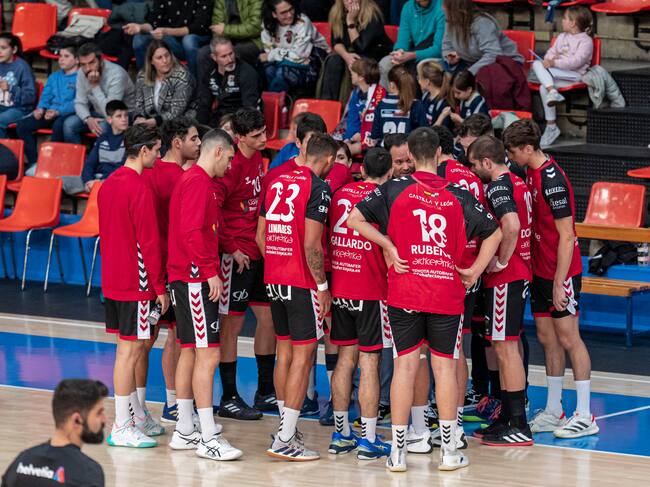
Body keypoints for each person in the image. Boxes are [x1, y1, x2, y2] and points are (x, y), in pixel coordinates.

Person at [347, 126, 501, 472]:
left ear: (410, 156)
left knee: (405, 366)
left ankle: (398, 453)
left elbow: (354, 219)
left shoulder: (394, 188)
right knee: (443, 368)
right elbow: (495, 232)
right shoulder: (458, 194)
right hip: (446, 291)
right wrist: (475, 271)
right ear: (439, 154)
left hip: (405, 290)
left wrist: (388, 245)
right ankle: (449, 451)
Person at [503, 119, 598, 439]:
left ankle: (585, 414)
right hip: (540, 270)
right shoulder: (530, 171)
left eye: (513, 152)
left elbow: (567, 236)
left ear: (528, 148)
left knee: (570, 338)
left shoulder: (552, 180)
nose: (511, 157)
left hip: (561, 272)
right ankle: (555, 409)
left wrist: (559, 282)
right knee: (547, 338)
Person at [405, 123, 486, 454]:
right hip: (466, 269)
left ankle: (423, 424)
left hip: (435, 268)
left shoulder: (433, 180)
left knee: (424, 353)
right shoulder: (471, 178)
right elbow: (488, 226)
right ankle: (455, 427)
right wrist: (478, 267)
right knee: (455, 349)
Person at [258, 133, 338, 461]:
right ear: (329, 160)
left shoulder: (276, 180)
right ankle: (285, 438)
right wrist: (322, 286)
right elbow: (311, 245)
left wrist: (279, 263)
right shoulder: (319, 187)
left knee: (285, 353)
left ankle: (285, 428)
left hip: (274, 279)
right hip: (301, 282)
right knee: (304, 357)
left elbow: (260, 236)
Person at [166, 128, 243, 460]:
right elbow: (191, 232)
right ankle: (209, 437)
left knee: (190, 351)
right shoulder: (198, 183)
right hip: (194, 279)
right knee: (209, 355)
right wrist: (210, 272)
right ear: (218, 152)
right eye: (230, 158)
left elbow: (207, 229)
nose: (231, 166)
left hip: (186, 277)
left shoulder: (197, 181)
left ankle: (185, 429)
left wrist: (229, 248)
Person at [98, 125, 169, 448]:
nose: (159, 155)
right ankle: (122, 425)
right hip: (135, 282)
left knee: (130, 349)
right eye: (156, 150)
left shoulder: (108, 184)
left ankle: (135, 416)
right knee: (129, 352)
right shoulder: (139, 187)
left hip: (113, 279)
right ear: (143, 151)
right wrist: (159, 287)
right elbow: (148, 242)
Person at [467, 135, 533, 446]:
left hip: (508, 276)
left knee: (505, 349)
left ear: (486, 162)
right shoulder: (519, 182)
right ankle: (507, 417)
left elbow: (512, 225)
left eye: (474, 165)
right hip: (519, 274)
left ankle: (518, 424)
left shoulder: (498, 186)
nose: (472, 171)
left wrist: (501, 259)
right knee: (505, 347)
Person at [327, 147, 393, 460]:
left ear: (361, 169)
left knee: (345, 359)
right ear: (390, 173)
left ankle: (341, 435)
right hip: (371, 290)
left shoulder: (340, 194)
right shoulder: (385, 198)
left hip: (341, 286)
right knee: (369, 363)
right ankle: (368, 439)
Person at [214, 108, 277, 419]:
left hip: (257, 251)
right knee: (231, 327)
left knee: (270, 320)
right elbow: (214, 212)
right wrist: (231, 248)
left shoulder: (259, 158)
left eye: (264, 132)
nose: (264, 139)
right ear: (239, 137)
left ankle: (265, 391)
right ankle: (228, 396)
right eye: (256, 136)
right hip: (236, 257)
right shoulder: (231, 165)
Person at [142, 117, 201, 424]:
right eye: (193, 139)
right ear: (177, 142)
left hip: (156, 268)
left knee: (150, 339)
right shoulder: (182, 178)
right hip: (170, 269)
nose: (199, 144)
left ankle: (146, 407)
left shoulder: (151, 172)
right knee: (172, 337)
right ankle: (170, 403)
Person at [1, 379, 107, 487]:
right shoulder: (88, 473)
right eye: (99, 413)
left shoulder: (22, 462)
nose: (104, 420)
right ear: (77, 420)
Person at [531, 6, 594, 148]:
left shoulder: (586, 41)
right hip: (557, 74)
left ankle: (552, 91)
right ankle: (551, 126)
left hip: (575, 75)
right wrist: (550, 59)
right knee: (541, 79)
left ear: (573, 23)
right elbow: (550, 54)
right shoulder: (561, 37)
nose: (562, 21)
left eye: (565, 18)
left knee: (541, 72)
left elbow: (576, 62)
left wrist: (555, 62)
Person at [15, 45, 77, 167]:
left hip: (68, 113)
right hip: (50, 112)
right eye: (60, 56)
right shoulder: (54, 76)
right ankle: (34, 163)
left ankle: (51, 164)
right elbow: (46, 96)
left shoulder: (81, 77)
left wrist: (58, 112)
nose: (61, 59)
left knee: (59, 126)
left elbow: (77, 103)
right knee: (22, 125)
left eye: (66, 56)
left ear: (77, 60)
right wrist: (41, 109)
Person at [320, 0, 392, 101]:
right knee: (334, 60)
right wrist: (346, 56)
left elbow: (360, 47)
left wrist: (350, 22)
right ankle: (328, 103)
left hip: (373, 56)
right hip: (352, 54)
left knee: (359, 63)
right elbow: (336, 42)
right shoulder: (337, 12)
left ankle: (362, 103)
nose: (350, 1)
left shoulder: (372, 14)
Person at [123, 0, 212, 78]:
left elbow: (198, 27)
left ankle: (194, 83)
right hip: (173, 40)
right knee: (139, 39)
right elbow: (153, 23)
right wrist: (140, 27)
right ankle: (145, 82)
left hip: (197, 40)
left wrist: (167, 31)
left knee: (188, 40)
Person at [66, 43, 135, 144]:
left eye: (91, 63)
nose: (87, 68)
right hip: (99, 112)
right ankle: (80, 153)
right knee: (69, 124)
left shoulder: (116, 74)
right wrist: (88, 119)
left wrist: (94, 86)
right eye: (83, 64)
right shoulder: (82, 72)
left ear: (101, 60)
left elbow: (111, 112)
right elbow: (80, 102)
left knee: (102, 127)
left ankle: (100, 153)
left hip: (123, 115)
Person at [61, 100, 129, 195]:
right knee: (60, 181)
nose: (124, 119)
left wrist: (99, 182)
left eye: (126, 115)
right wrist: (89, 181)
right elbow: (89, 164)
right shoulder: (102, 138)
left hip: (115, 181)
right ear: (109, 120)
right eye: (119, 116)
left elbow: (124, 168)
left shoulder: (130, 139)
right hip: (95, 179)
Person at [261, 0, 330, 93]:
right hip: (286, 62)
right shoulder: (268, 24)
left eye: (291, 9)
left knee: (283, 73)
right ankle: (280, 99)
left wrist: (272, 55)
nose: (289, 15)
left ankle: (277, 100)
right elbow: (268, 51)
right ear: (274, 14)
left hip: (313, 62)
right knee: (269, 70)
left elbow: (299, 55)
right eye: (283, 13)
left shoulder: (303, 22)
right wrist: (273, 56)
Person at [441, 0, 523, 75]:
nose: (442, 8)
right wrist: (450, 58)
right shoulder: (451, 20)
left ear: (456, 9)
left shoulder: (483, 23)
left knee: (474, 80)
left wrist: (469, 73)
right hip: (471, 62)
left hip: (501, 63)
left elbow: (493, 54)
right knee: (439, 70)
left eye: (445, 6)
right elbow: (447, 45)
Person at [378, 0, 446, 87]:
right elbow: (402, 41)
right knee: (385, 63)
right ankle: (391, 95)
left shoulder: (442, 7)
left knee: (422, 68)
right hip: (413, 53)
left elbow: (438, 50)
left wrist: (411, 55)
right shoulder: (408, 7)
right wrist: (399, 52)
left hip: (435, 57)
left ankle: (414, 96)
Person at [196, 37, 261, 127]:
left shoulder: (247, 72)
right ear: (214, 57)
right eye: (224, 56)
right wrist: (200, 129)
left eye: (231, 54)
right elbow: (204, 105)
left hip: (241, 118)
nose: (230, 60)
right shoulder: (210, 72)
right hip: (220, 116)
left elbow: (250, 108)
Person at [133, 40, 197, 128]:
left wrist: (155, 121)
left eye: (167, 55)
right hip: (151, 121)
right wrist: (139, 117)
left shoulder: (182, 76)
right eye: (159, 58)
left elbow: (176, 111)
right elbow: (138, 104)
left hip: (180, 122)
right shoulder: (142, 76)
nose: (165, 60)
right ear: (151, 61)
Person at [196, 0, 264, 74]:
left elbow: (255, 27)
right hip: (227, 41)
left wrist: (225, 30)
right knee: (203, 54)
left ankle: (234, 81)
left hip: (252, 41)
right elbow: (217, 28)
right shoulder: (220, 1)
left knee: (233, 54)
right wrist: (221, 46)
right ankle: (209, 81)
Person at [340, 57, 386, 156]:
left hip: (374, 142)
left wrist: (361, 136)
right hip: (355, 138)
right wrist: (350, 138)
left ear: (361, 77)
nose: (351, 75)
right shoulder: (355, 94)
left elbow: (377, 124)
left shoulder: (380, 95)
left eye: (353, 72)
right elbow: (352, 120)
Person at [369, 65, 427, 143]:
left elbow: (375, 135)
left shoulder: (381, 104)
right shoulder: (416, 104)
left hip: (385, 149)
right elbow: (425, 133)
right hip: (408, 149)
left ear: (391, 85)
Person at [0, 33, 35, 139]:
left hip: (19, 109)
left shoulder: (22, 67)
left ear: (14, 49)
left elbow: (30, 97)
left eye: (3, 48)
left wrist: (11, 88)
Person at [417, 60, 452, 129]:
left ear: (427, 81)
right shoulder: (425, 96)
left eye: (419, 78)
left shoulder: (443, 103)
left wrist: (442, 117)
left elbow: (440, 132)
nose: (418, 81)